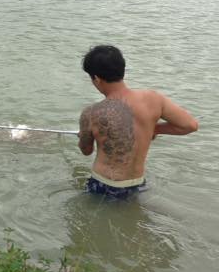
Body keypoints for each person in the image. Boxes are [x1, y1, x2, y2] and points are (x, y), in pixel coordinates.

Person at [79, 44, 198, 197]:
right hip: (137, 184)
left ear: (96, 78)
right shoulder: (154, 99)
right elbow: (190, 125)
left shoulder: (91, 113)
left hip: (104, 185)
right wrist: (153, 129)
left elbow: (86, 150)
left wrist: (84, 136)